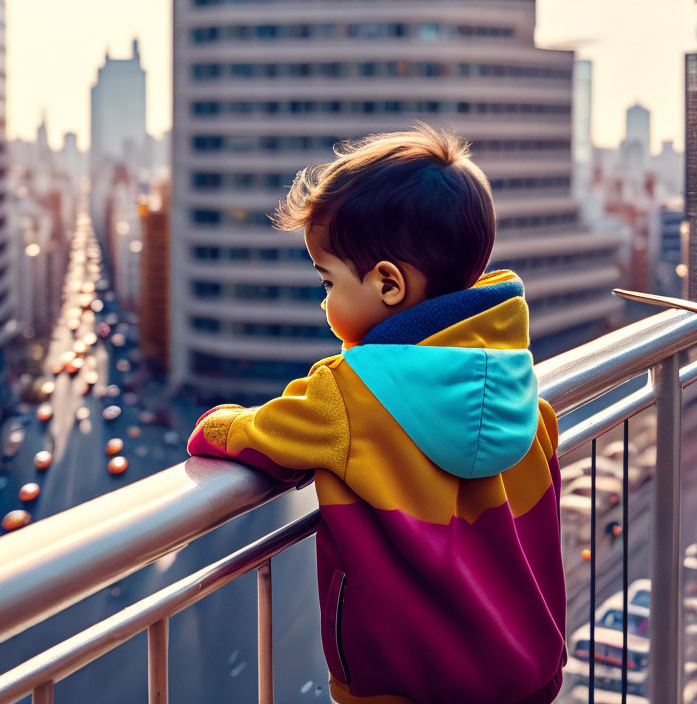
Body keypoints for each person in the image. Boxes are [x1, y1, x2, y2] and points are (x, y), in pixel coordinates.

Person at [187, 121, 566, 704]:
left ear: (388, 284)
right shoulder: (522, 389)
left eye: (328, 279)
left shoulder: (346, 398)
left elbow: (250, 437)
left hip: (403, 687)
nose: (324, 300)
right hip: (524, 676)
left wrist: (216, 422)